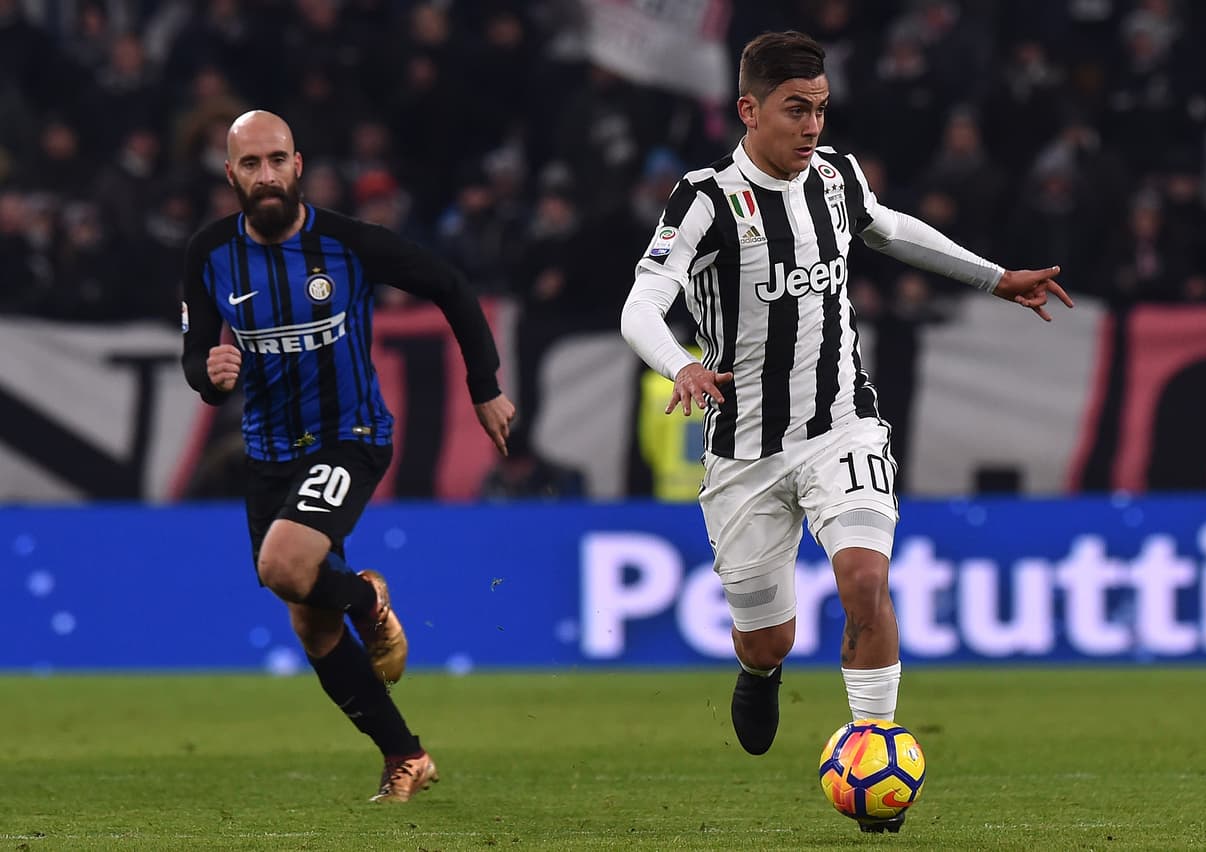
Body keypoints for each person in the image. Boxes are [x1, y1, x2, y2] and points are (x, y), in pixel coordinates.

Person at [619, 32, 1071, 834]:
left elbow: (891, 229)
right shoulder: (705, 199)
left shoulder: (835, 177)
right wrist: (680, 364)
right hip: (746, 451)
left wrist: (995, 277)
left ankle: (873, 752)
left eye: (821, 109)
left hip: (842, 425)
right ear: (749, 110)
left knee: (865, 578)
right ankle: (760, 673)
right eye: (797, 109)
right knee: (768, 640)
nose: (812, 126)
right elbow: (640, 304)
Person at [181, 110, 516, 803]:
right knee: (308, 616)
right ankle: (406, 756)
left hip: (350, 437)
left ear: (298, 165)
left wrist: (484, 388)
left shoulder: (348, 244)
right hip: (269, 455)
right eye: (251, 164)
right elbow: (197, 354)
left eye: (277, 160)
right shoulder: (209, 254)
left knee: (283, 566)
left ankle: (369, 600)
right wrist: (207, 375)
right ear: (231, 175)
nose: (266, 175)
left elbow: (450, 287)